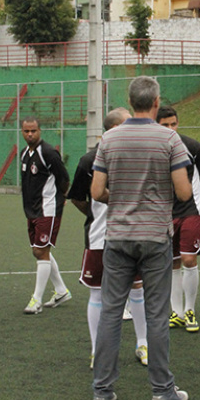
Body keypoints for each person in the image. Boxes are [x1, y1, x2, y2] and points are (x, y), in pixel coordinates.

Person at [90, 76, 192, 400]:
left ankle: (102, 391)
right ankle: (162, 391)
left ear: (130, 100)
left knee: (110, 312)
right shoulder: (170, 139)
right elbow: (183, 192)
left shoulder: (109, 139)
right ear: (157, 101)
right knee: (156, 315)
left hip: (118, 236)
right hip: (154, 237)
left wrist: (120, 199)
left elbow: (96, 192)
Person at [68, 107, 149, 368]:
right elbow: (78, 198)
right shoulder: (88, 160)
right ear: (114, 129)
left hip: (132, 235)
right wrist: (96, 215)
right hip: (100, 237)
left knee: (137, 288)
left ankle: (143, 344)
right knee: (98, 293)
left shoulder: (138, 154)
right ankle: (96, 350)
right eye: (128, 124)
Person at [157, 106, 200, 333]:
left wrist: (190, 192)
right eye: (165, 125)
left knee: (189, 259)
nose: (171, 128)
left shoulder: (192, 147)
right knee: (172, 261)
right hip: (165, 212)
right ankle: (177, 312)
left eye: (174, 124)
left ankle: (190, 311)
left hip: (192, 210)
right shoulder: (153, 148)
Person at [19, 116, 72, 314]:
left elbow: (64, 178)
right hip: (31, 210)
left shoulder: (48, 153)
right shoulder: (24, 153)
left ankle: (36, 300)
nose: (30, 134)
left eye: (33, 130)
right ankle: (61, 290)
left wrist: (61, 198)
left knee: (40, 251)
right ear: (22, 132)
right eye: (26, 131)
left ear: (40, 130)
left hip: (48, 209)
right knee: (40, 251)